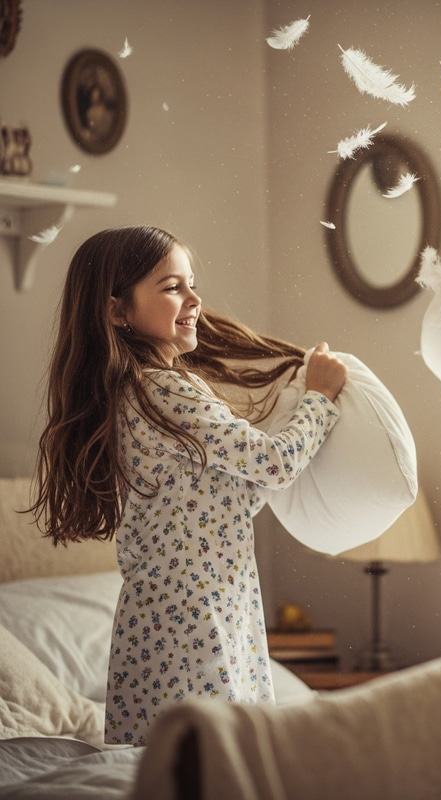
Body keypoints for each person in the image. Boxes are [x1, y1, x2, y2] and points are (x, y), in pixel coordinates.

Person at [30, 226, 347, 745]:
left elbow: (239, 495)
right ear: (117, 311)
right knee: (208, 760)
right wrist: (320, 398)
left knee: (183, 760)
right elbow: (271, 464)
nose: (195, 299)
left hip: (198, 607)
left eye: (191, 283)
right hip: (192, 619)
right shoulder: (161, 388)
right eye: (172, 286)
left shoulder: (135, 392)